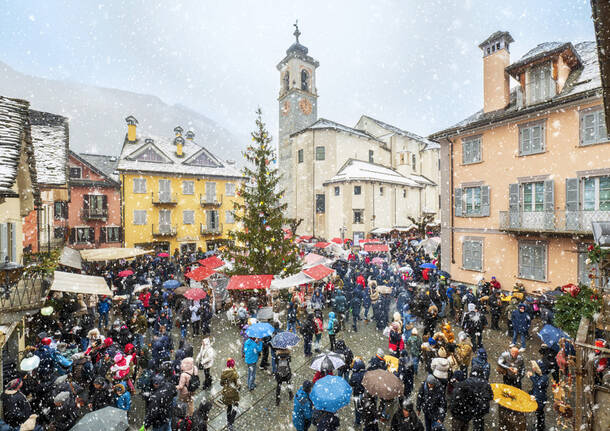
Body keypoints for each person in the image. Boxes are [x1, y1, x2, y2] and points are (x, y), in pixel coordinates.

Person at [528, 360, 549, 431]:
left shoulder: (544, 377)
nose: (532, 368)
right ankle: (539, 423)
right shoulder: (538, 374)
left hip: (541, 398)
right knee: (538, 412)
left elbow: (538, 385)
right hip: (537, 396)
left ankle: (541, 425)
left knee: (540, 412)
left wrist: (531, 377)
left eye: (534, 366)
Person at [220, 359, 240, 431]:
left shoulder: (223, 373)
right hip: (233, 392)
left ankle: (229, 422)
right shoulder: (234, 373)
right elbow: (238, 384)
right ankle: (231, 422)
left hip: (226, 392)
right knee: (236, 404)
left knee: (229, 406)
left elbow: (221, 383)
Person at [350, 358, 367, 427]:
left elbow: (351, 383)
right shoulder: (367, 373)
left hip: (357, 394)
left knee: (357, 408)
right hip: (365, 394)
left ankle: (358, 422)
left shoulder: (355, 375)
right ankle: (364, 418)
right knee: (364, 407)